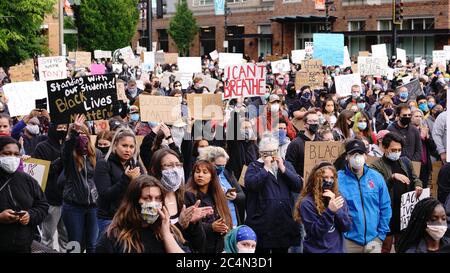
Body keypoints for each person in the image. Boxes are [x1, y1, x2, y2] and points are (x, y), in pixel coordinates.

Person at [96, 175, 185, 253]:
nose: (153, 204)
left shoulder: (166, 231)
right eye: (147, 198)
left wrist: (167, 235)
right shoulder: (114, 235)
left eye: (158, 198)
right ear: (134, 201)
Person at [245, 134, 303, 253]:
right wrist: (265, 168)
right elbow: (251, 185)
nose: (272, 155)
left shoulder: (286, 164)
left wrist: (284, 169)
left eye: (274, 151)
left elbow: (298, 185)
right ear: (261, 153)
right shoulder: (254, 166)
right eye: (267, 152)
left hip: (284, 221)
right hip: (263, 223)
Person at [149, 148, 212, 252]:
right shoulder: (151, 201)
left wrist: (195, 224)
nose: (175, 169)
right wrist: (180, 224)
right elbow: (153, 242)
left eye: (178, 165)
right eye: (169, 165)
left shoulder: (188, 198)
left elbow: (200, 245)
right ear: (155, 170)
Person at [370, 132, 423, 253]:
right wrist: (392, 177)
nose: (397, 153)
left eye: (399, 150)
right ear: (384, 148)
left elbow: (415, 178)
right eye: (393, 150)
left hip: (404, 211)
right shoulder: (375, 166)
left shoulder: (405, 162)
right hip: (387, 213)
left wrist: (418, 185)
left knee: (403, 245)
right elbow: (375, 189)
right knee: (385, 247)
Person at [338, 139, 391, 253]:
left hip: (374, 240)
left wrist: (381, 235)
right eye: (353, 154)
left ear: (366, 155)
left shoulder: (376, 178)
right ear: (347, 156)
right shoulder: (338, 179)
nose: (357, 157)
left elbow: (385, 207)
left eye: (360, 153)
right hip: (349, 241)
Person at [60, 114, 101, 253]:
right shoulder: (69, 156)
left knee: (93, 244)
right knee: (75, 246)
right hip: (73, 206)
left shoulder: (97, 154)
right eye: (78, 133)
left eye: (83, 133)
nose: (81, 136)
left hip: (93, 207)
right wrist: (73, 132)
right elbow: (66, 150)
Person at [94, 127, 145, 238]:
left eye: (131, 147)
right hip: (109, 218)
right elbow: (106, 194)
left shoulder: (135, 163)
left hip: (131, 216)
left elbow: (145, 185)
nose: (128, 150)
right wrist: (126, 179)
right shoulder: (103, 164)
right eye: (124, 146)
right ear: (115, 145)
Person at [0, 136, 48, 252]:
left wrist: (29, 216)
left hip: (23, 245)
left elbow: (42, 205)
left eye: (16, 154)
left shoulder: (27, 180)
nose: (12, 157)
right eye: (7, 153)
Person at [294, 162, 352, 253]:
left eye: (332, 178)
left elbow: (347, 227)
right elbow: (316, 232)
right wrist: (330, 211)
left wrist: (337, 210)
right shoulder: (307, 203)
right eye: (325, 177)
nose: (329, 181)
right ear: (316, 179)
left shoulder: (338, 198)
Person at [33, 123, 68, 251]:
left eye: (65, 128)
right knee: (47, 238)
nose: (62, 130)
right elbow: (42, 171)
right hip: (50, 199)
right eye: (60, 127)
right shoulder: (41, 147)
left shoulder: (68, 146)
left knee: (66, 237)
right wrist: (61, 160)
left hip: (68, 199)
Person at [185, 160, 233, 253]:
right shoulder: (189, 195)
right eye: (197, 171)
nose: (200, 175)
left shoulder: (216, 195)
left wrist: (223, 227)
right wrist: (211, 227)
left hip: (217, 246)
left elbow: (225, 217)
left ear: (212, 177)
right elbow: (187, 224)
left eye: (205, 172)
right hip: (199, 247)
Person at [197, 146, 245, 226]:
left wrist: (235, 196)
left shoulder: (227, 174)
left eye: (224, 165)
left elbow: (242, 195)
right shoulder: (203, 177)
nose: (221, 168)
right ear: (209, 162)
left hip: (233, 221)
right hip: (217, 223)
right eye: (218, 166)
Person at [286, 109, 321, 177]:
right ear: (305, 124)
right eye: (311, 121)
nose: (314, 123)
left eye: (316, 121)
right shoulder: (295, 144)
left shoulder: (321, 142)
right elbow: (289, 167)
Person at [411, 109, 438, 187]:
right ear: (411, 118)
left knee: (424, 188)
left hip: (425, 165)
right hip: (413, 163)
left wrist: (427, 138)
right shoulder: (409, 130)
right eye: (416, 116)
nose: (418, 118)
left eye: (420, 116)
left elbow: (433, 148)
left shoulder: (424, 129)